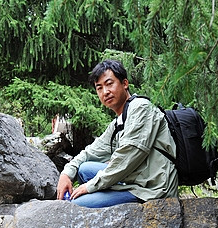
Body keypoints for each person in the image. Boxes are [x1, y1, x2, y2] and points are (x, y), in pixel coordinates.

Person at [56, 59, 178, 208]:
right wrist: (66, 174)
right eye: (99, 88)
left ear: (124, 83)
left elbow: (126, 158)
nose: (105, 92)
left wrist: (89, 187)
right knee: (84, 169)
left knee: (76, 205)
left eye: (109, 84)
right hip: (134, 182)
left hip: (152, 190)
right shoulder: (118, 122)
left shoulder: (142, 109)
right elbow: (90, 152)